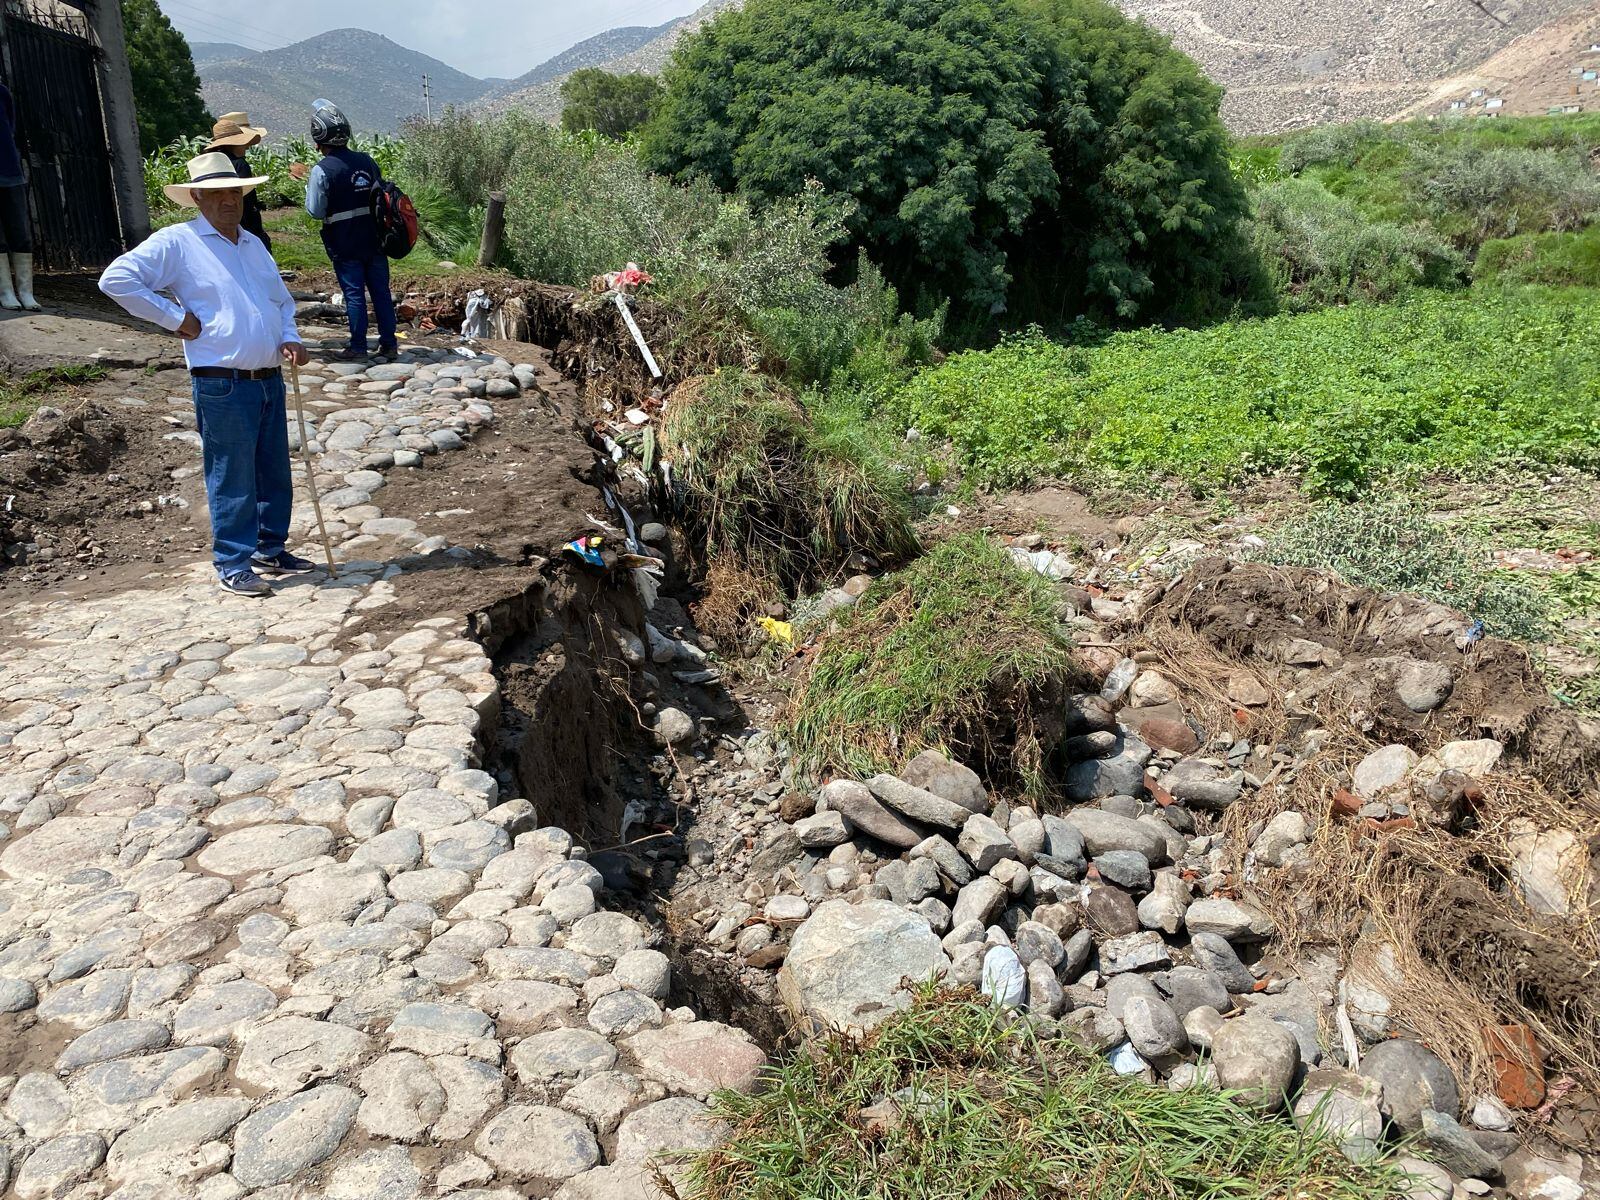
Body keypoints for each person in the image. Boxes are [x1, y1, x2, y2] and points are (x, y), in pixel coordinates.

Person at [98, 152, 314, 598]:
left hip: (268, 376)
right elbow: (116, 279)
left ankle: (269, 547)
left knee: (273, 469)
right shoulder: (178, 242)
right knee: (232, 473)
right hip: (221, 380)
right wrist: (175, 318)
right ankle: (233, 562)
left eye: (234, 191)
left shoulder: (252, 244)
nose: (228, 200)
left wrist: (289, 337)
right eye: (216, 193)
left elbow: (280, 302)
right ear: (196, 197)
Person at [294, 99, 396, 360]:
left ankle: (358, 347)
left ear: (318, 137)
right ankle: (389, 344)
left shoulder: (322, 170)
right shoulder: (367, 161)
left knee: (354, 294)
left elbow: (315, 211)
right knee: (381, 293)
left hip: (345, 241)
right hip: (375, 239)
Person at [205, 111, 272, 252]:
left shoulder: (213, 162)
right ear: (235, 144)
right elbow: (245, 201)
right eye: (243, 143)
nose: (247, 147)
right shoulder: (240, 164)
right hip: (245, 226)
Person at [0, 80, 40, 311]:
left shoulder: (2, 93)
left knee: (20, 233)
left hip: (9, 170)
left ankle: (26, 292)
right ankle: (6, 292)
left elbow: (10, 127)